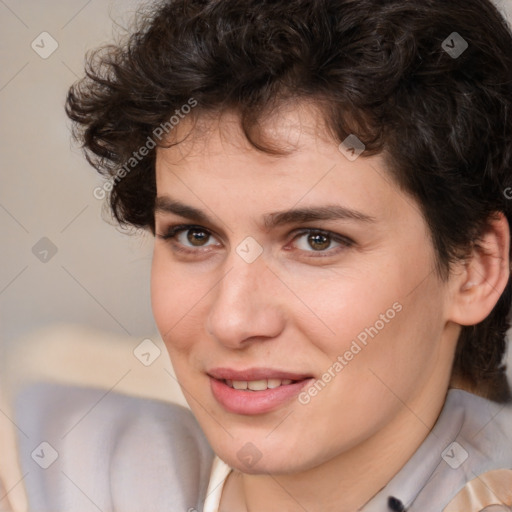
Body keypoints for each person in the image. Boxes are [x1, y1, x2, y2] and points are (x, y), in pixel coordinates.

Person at [15, 0, 512, 510]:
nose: (231, 321)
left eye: (317, 239)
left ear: (475, 269)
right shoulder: (48, 468)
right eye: (194, 235)